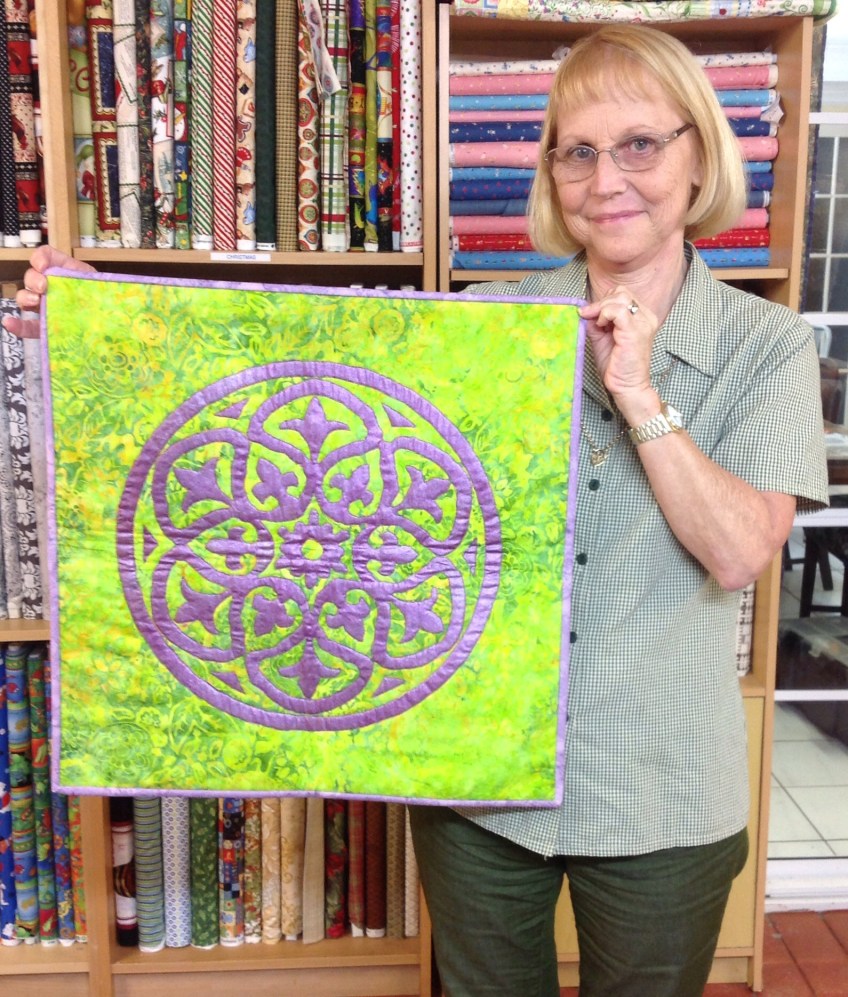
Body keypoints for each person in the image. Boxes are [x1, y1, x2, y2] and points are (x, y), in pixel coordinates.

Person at [1, 23, 828, 997]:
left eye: (639, 143)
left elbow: (738, 552)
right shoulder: (488, 326)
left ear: (698, 156)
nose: (607, 178)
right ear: (551, 174)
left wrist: (639, 394)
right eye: (576, 150)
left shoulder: (768, 345)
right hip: (474, 786)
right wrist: (113, 324)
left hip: (662, 794)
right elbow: (298, 393)